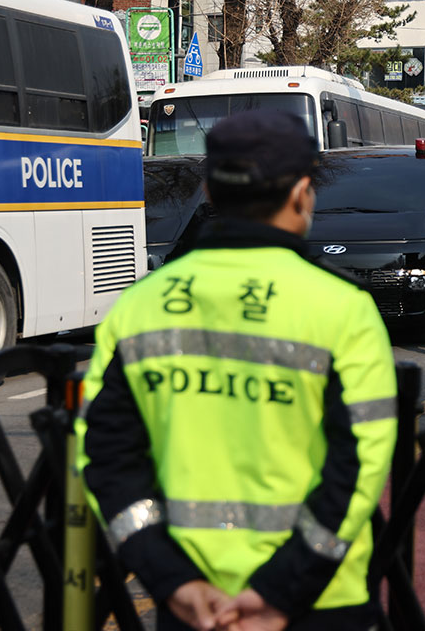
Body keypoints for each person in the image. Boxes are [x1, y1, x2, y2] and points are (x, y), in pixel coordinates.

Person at [77, 110, 397, 631]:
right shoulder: (342, 308)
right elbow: (358, 467)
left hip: (192, 604)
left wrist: (172, 581)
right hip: (316, 601)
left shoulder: (142, 306)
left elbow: (105, 456)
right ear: (301, 194)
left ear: (207, 192)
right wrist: (278, 592)